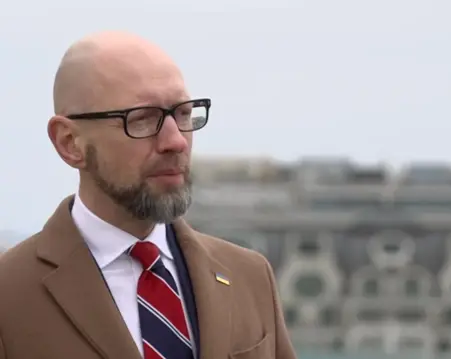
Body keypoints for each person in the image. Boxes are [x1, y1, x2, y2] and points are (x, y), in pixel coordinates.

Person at [0, 31, 297, 359]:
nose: (176, 141)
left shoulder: (250, 277)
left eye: (183, 114)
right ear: (69, 143)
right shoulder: (10, 295)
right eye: (142, 119)